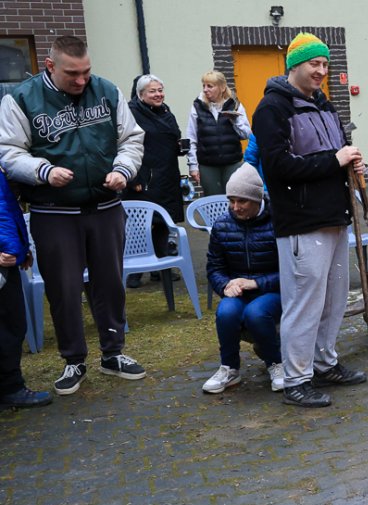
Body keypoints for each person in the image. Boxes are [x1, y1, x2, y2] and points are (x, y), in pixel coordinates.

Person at [0, 35, 147, 396]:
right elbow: (8, 150)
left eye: (86, 72)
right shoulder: (20, 99)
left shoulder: (107, 90)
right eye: (72, 74)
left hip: (106, 206)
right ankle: (73, 359)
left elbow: (131, 138)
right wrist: (43, 171)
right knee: (63, 288)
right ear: (50, 66)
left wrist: (123, 170)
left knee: (111, 283)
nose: (81, 81)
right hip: (54, 211)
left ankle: (113, 353)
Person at [253, 32, 366, 408]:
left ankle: (324, 363)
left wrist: (350, 162)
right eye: (313, 64)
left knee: (333, 300)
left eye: (324, 64)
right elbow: (278, 167)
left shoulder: (325, 106)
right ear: (294, 66)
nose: (320, 71)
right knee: (303, 303)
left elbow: (333, 155)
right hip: (302, 222)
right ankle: (296, 380)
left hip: (335, 217)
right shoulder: (272, 109)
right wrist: (334, 161)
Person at [202, 163, 283, 394]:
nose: (235, 207)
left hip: (274, 290)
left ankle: (276, 364)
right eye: (231, 201)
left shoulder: (277, 221)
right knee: (226, 312)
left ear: (257, 200)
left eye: (242, 201)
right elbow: (214, 267)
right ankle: (229, 368)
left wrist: (256, 283)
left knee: (256, 313)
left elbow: (291, 268)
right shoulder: (222, 225)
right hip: (238, 291)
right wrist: (224, 285)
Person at [124, 74, 185, 288]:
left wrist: (179, 147)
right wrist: (133, 178)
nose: (158, 94)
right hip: (144, 177)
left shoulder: (166, 111)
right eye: (153, 91)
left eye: (160, 90)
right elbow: (123, 147)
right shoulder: (130, 113)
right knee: (139, 225)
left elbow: (171, 136)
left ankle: (162, 269)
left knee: (161, 223)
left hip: (167, 175)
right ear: (141, 94)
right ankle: (135, 271)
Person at [0, 168, 51, 408]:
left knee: (13, 324)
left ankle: (10, 388)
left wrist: (21, 248)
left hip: (6, 259)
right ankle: (11, 388)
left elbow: (7, 208)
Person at [187, 70, 250, 196]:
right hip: (208, 165)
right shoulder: (197, 106)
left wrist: (235, 120)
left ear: (221, 88)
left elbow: (246, 134)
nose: (205, 90)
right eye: (204, 86)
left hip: (233, 162)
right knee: (213, 201)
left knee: (234, 198)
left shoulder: (234, 105)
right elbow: (191, 138)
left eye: (210, 86)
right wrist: (193, 166)